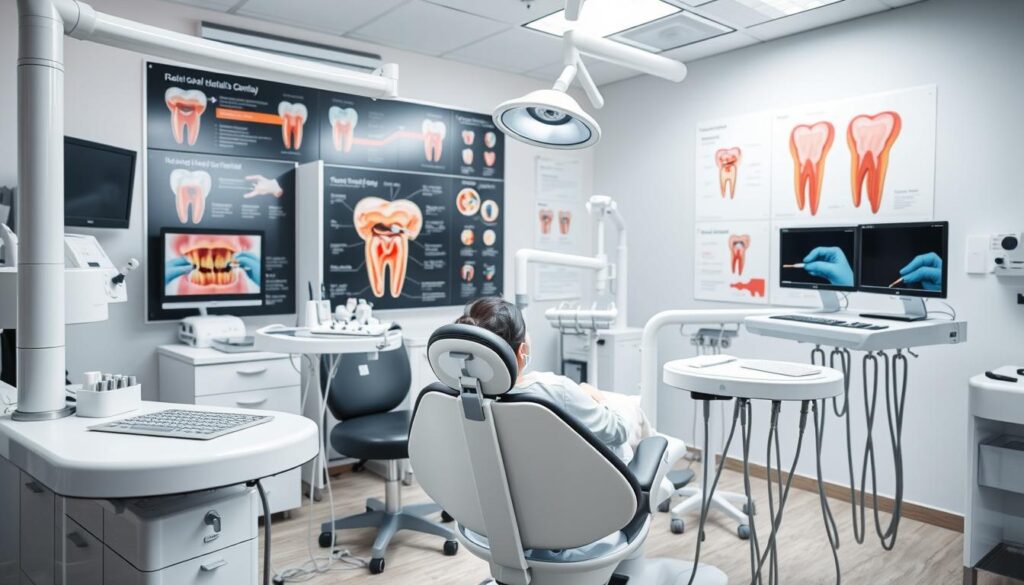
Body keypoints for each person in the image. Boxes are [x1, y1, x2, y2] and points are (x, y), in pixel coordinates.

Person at [455, 297, 653, 462]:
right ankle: (655, 479)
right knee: (633, 407)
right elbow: (618, 432)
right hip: (593, 482)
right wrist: (599, 398)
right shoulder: (556, 390)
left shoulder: (462, 396)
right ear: (522, 350)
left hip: (523, 486)